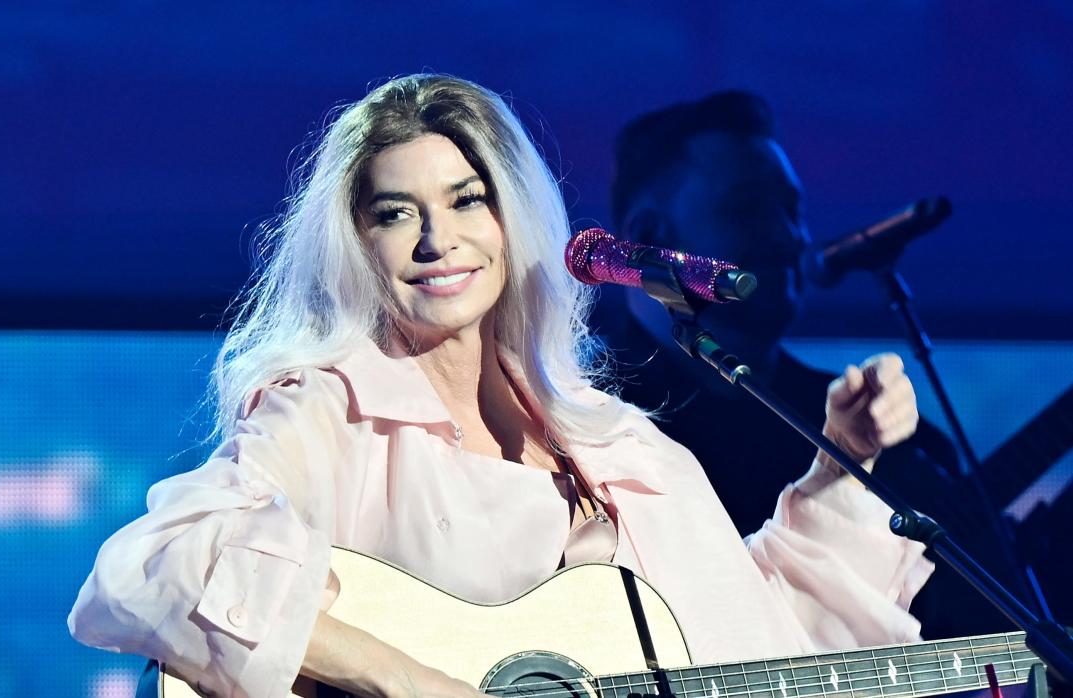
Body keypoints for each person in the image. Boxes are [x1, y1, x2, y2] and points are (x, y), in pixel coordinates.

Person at [69, 75, 932, 698]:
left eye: (466, 200)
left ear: (511, 218)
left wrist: (842, 463)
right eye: (394, 212)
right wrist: (412, 683)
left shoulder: (619, 446)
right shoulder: (334, 409)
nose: (436, 239)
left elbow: (760, 650)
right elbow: (155, 569)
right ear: (357, 243)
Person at [601, 90, 1006, 639]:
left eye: (793, 210)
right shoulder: (579, 413)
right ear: (649, 238)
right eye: (747, 208)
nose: (789, 236)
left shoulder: (879, 429)